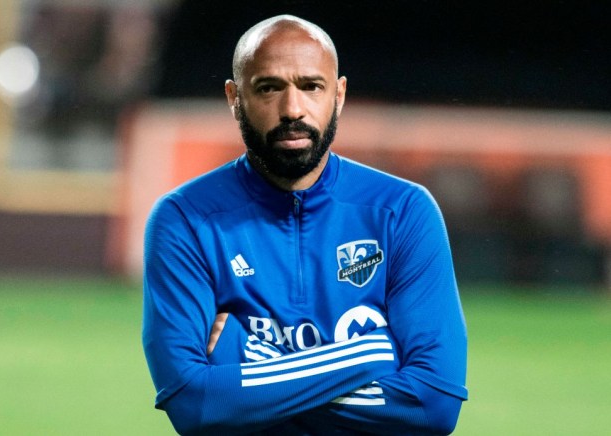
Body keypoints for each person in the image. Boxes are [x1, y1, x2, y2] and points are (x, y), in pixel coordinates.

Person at [143, 14, 468, 435]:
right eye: (269, 88)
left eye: (311, 86)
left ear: (339, 95)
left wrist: (248, 363)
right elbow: (194, 404)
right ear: (234, 97)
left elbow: (434, 405)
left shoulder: (403, 211)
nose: (292, 109)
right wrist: (371, 354)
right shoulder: (186, 219)